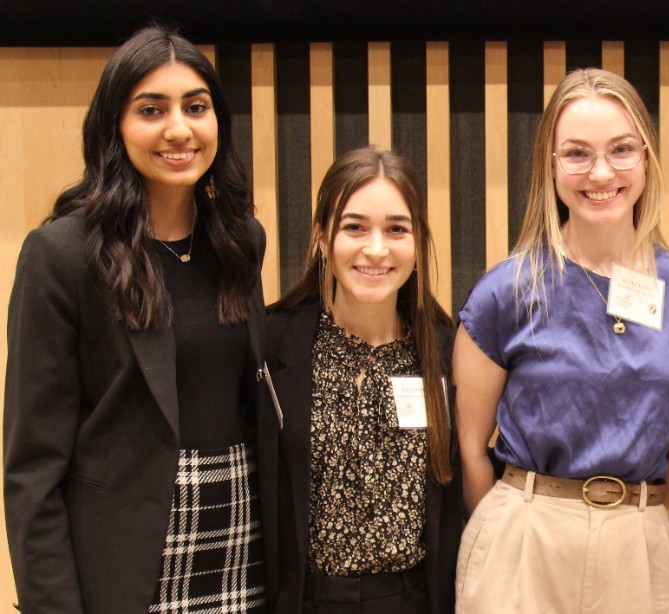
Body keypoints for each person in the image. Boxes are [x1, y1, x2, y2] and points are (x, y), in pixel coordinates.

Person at [4, 25, 276, 613]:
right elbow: (32, 470)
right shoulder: (60, 255)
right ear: (114, 126)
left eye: (196, 107)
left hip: (240, 545)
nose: (179, 129)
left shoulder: (240, 240)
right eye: (151, 109)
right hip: (127, 565)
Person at [452, 68, 669, 613]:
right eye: (576, 153)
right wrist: (503, 535)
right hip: (523, 541)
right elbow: (473, 446)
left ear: (646, 159)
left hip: (638, 543)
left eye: (621, 150)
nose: (600, 172)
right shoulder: (508, 291)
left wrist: (644, 517)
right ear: (550, 165)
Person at [265, 146, 462, 613]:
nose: (376, 249)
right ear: (321, 237)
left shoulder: (446, 350)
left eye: (397, 229)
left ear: (417, 242)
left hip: (415, 598)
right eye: (354, 227)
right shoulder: (274, 345)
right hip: (306, 599)